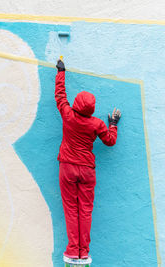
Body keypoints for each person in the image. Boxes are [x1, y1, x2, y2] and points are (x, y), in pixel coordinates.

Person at [55, 59, 121, 260]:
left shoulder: (68, 115)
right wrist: (113, 124)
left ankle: (73, 250)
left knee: (70, 208)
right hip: (87, 170)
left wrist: (61, 72)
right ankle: (84, 252)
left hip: (68, 168)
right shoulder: (97, 124)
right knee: (85, 210)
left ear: (76, 104)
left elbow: (60, 96)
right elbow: (110, 141)